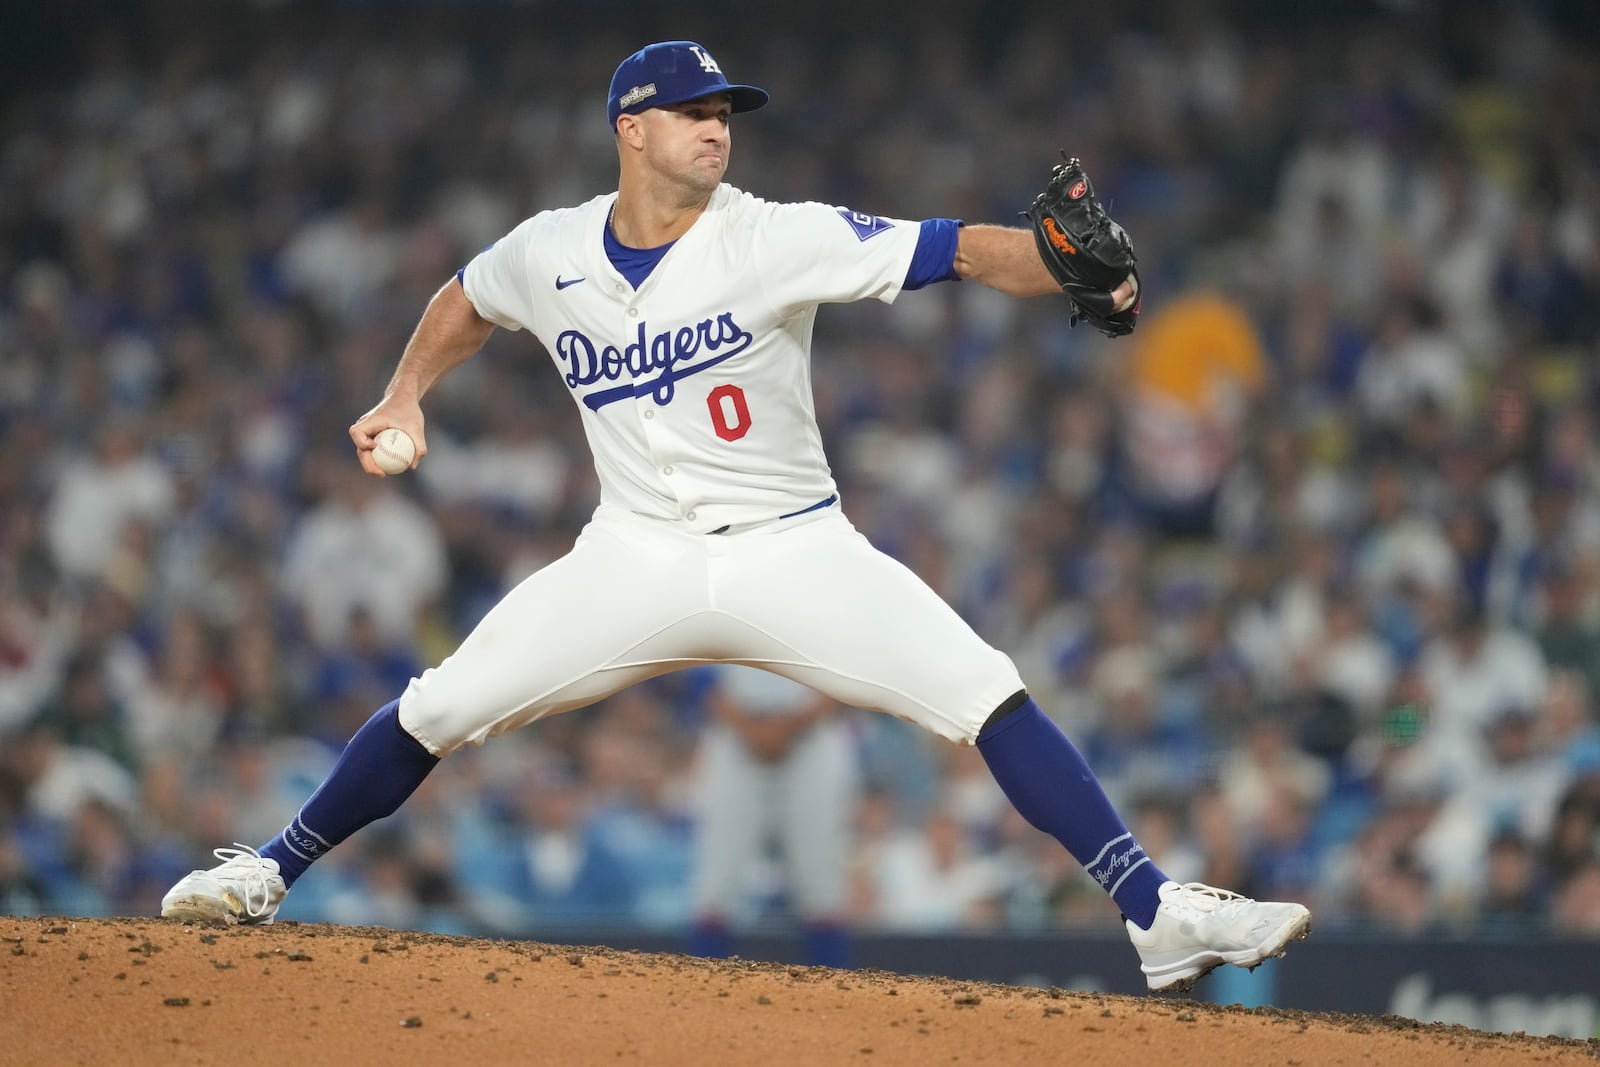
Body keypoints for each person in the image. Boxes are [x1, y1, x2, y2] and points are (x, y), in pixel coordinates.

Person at [161, 39, 1311, 994]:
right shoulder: (548, 250)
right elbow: (465, 300)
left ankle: (1154, 910)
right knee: (443, 701)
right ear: (631, 126)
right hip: (633, 554)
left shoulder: (771, 234)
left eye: (726, 112)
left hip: (792, 548)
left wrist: (1073, 271)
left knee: (982, 685)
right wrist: (404, 391)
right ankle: (268, 869)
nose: (717, 127)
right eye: (693, 110)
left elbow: (957, 249)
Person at [686, 665, 860, 968]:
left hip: (812, 736)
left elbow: (851, 666)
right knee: (716, 886)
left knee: (821, 886)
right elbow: (698, 664)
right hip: (734, 734)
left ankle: (834, 1004)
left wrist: (790, 725)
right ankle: (697, 1002)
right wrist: (750, 727)